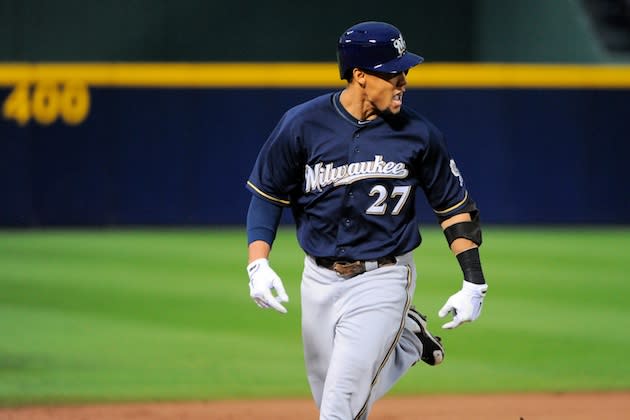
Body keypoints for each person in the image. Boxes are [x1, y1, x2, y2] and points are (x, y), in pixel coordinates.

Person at [245, 21, 489, 420]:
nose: (403, 81)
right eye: (392, 73)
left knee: (339, 407)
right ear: (360, 75)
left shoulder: (420, 135)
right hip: (318, 279)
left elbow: (454, 208)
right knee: (335, 399)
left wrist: (474, 280)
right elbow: (268, 196)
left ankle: (396, 330)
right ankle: (407, 341)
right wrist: (258, 263)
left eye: (404, 72)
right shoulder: (301, 124)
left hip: (384, 277)